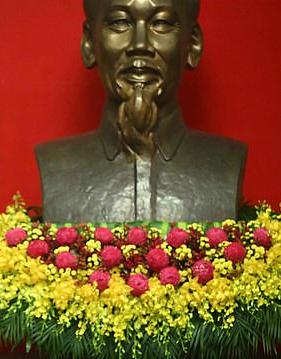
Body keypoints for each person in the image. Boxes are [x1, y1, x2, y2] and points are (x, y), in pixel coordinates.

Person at [35, 0, 247, 223]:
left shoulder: (227, 163)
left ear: (192, 44)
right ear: (89, 43)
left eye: (161, 23)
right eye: (120, 22)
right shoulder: (56, 165)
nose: (140, 44)